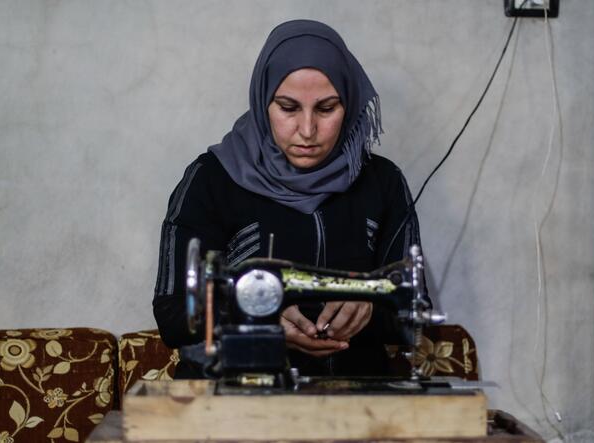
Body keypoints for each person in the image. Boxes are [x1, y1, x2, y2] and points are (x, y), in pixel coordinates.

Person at [153, 19, 424, 378]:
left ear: (350, 102)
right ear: (263, 100)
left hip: (355, 401)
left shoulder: (382, 183)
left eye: (327, 108)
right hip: (236, 404)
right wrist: (253, 311)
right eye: (288, 107)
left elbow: (415, 311)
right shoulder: (212, 179)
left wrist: (371, 309)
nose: (308, 130)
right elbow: (173, 315)